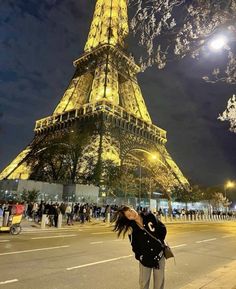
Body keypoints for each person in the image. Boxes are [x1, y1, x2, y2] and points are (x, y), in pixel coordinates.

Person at [113, 205, 167, 289]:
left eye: (131, 210)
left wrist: (159, 243)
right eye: (128, 215)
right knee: (143, 284)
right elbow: (134, 246)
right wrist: (140, 257)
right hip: (145, 260)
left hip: (159, 255)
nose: (132, 214)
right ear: (128, 219)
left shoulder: (149, 216)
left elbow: (163, 229)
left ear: (133, 208)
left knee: (159, 284)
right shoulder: (132, 229)